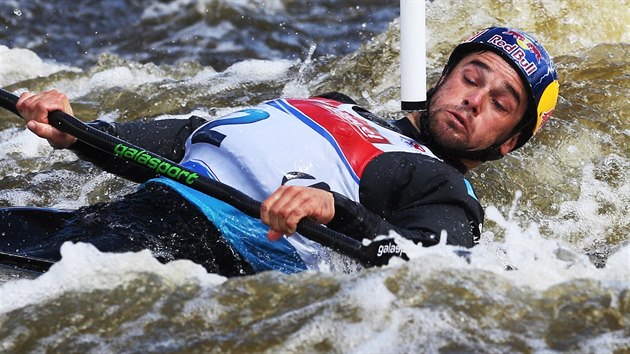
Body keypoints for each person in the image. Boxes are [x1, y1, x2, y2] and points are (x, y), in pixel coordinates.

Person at [6, 27, 559, 277]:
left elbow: (429, 265)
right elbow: (189, 138)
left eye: (500, 103)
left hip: (197, 245)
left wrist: (334, 210)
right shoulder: (337, 105)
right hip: (124, 216)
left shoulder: (442, 185)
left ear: (508, 141)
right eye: (472, 76)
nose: (473, 100)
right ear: (445, 75)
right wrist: (79, 131)